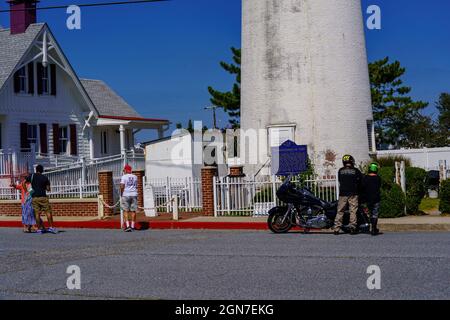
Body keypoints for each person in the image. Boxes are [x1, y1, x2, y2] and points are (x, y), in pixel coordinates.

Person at [333, 155, 363, 235]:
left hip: (343, 193)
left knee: (340, 211)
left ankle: (336, 228)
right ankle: (352, 227)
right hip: (353, 193)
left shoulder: (340, 171)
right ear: (352, 161)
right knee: (353, 211)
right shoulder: (356, 171)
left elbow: (340, 180)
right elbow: (360, 181)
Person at [26, 165, 57, 234]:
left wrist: (31, 191)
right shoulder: (45, 178)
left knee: (37, 213)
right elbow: (48, 189)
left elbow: (25, 183)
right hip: (43, 197)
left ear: (36, 170)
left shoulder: (32, 176)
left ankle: (39, 229)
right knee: (48, 212)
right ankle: (51, 227)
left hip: (35, 197)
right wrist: (46, 186)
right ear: (42, 170)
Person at [361, 163, 382, 236]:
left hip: (368, 198)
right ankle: (374, 228)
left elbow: (362, 187)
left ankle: (372, 228)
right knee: (375, 213)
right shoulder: (378, 178)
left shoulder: (365, 178)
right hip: (376, 198)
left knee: (370, 213)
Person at [120, 164, 138, 232]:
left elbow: (122, 186)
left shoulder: (124, 177)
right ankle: (133, 226)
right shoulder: (135, 176)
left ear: (126, 170)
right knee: (133, 211)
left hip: (126, 194)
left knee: (125, 210)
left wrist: (121, 194)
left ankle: (128, 226)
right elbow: (136, 185)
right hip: (134, 194)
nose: (124, 171)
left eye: (124, 170)